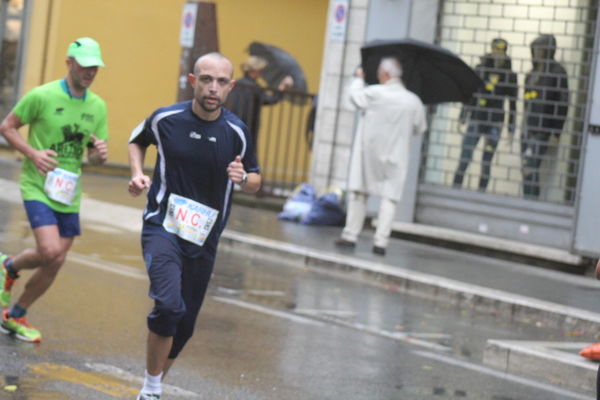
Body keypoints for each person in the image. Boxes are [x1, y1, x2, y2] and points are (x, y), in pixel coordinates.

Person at [128, 52, 261, 400]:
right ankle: (152, 391)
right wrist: (138, 174)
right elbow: (137, 139)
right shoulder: (166, 119)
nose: (212, 88)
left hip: (205, 237)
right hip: (163, 227)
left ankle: (151, 386)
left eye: (220, 82)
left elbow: (256, 178)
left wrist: (243, 177)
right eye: (205, 79)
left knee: (184, 327)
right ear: (192, 81)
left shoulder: (236, 131)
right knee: (169, 306)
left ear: (230, 87)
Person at [0, 37, 108, 343]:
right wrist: (32, 154)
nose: (90, 72)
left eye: (95, 67)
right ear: (69, 63)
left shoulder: (97, 107)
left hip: (69, 192)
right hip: (37, 184)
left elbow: (95, 157)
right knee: (48, 251)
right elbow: (6, 127)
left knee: (57, 260)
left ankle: (17, 314)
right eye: (85, 65)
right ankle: (8, 265)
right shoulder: (42, 96)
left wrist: (99, 153)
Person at [334, 57, 427, 256]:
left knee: (359, 192)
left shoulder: (375, 93)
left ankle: (350, 235)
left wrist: (359, 78)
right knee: (390, 197)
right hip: (397, 154)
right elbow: (419, 127)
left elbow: (354, 97)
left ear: (385, 74)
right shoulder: (413, 101)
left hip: (370, 151)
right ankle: (381, 242)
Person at [453, 38, 517, 191]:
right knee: (465, 157)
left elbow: (512, 104)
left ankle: (481, 192)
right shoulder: (480, 70)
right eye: (496, 49)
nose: (498, 53)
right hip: (477, 118)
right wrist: (463, 116)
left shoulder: (509, 75)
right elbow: (469, 93)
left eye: (501, 50)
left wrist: (510, 128)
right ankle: (455, 188)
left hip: (495, 122)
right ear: (491, 49)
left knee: (486, 162)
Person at [521, 34, 569, 199]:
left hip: (542, 129)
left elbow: (562, 104)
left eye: (541, 49)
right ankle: (528, 201)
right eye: (535, 49)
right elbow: (526, 100)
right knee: (526, 168)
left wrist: (556, 132)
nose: (538, 53)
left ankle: (531, 203)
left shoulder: (558, 72)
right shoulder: (531, 74)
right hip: (527, 128)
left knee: (531, 167)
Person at [225, 55, 293, 147]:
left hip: (231, 122)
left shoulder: (237, 83)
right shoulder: (254, 87)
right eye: (261, 70)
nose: (262, 73)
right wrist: (282, 88)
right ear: (255, 71)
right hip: (248, 126)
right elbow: (270, 100)